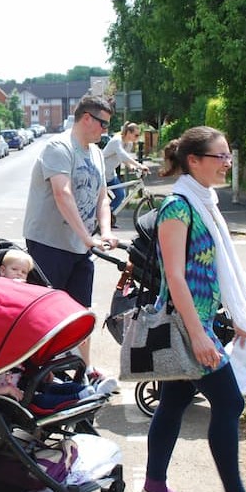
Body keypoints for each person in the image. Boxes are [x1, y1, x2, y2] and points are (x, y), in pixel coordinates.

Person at [142, 126, 246, 492]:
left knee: (174, 401)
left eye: (229, 155)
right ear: (193, 161)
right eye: (221, 156)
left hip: (202, 321)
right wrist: (199, 336)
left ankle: (154, 486)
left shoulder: (204, 202)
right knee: (229, 403)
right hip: (186, 326)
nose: (227, 163)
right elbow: (175, 276)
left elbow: (216, 269)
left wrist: (236, 316)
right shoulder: (178, 207)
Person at [23, 95, 118, 380]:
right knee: (47, 314)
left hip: (80, 246)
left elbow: (103, 198)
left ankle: (84, 369)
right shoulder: (59, 147)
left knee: (80, 312)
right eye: (103, 123)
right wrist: (87, 238)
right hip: (49, 243)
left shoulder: (97, 153)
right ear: (86, 118)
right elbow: (62, 194)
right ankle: (41, 375)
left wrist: (104, 232)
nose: (105, 130)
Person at [102, 122, 149, 227]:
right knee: (101, 198)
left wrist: (132, 167)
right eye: (136, 135)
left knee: (120, 194)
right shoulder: (116, 140)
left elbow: (124, 159)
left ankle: (108, 217)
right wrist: (139, 165)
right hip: (101, 174)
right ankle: (103, 219)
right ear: (128, 132)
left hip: (110, 174)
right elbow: (122, 155)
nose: (137, 138)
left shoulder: (129, 144)